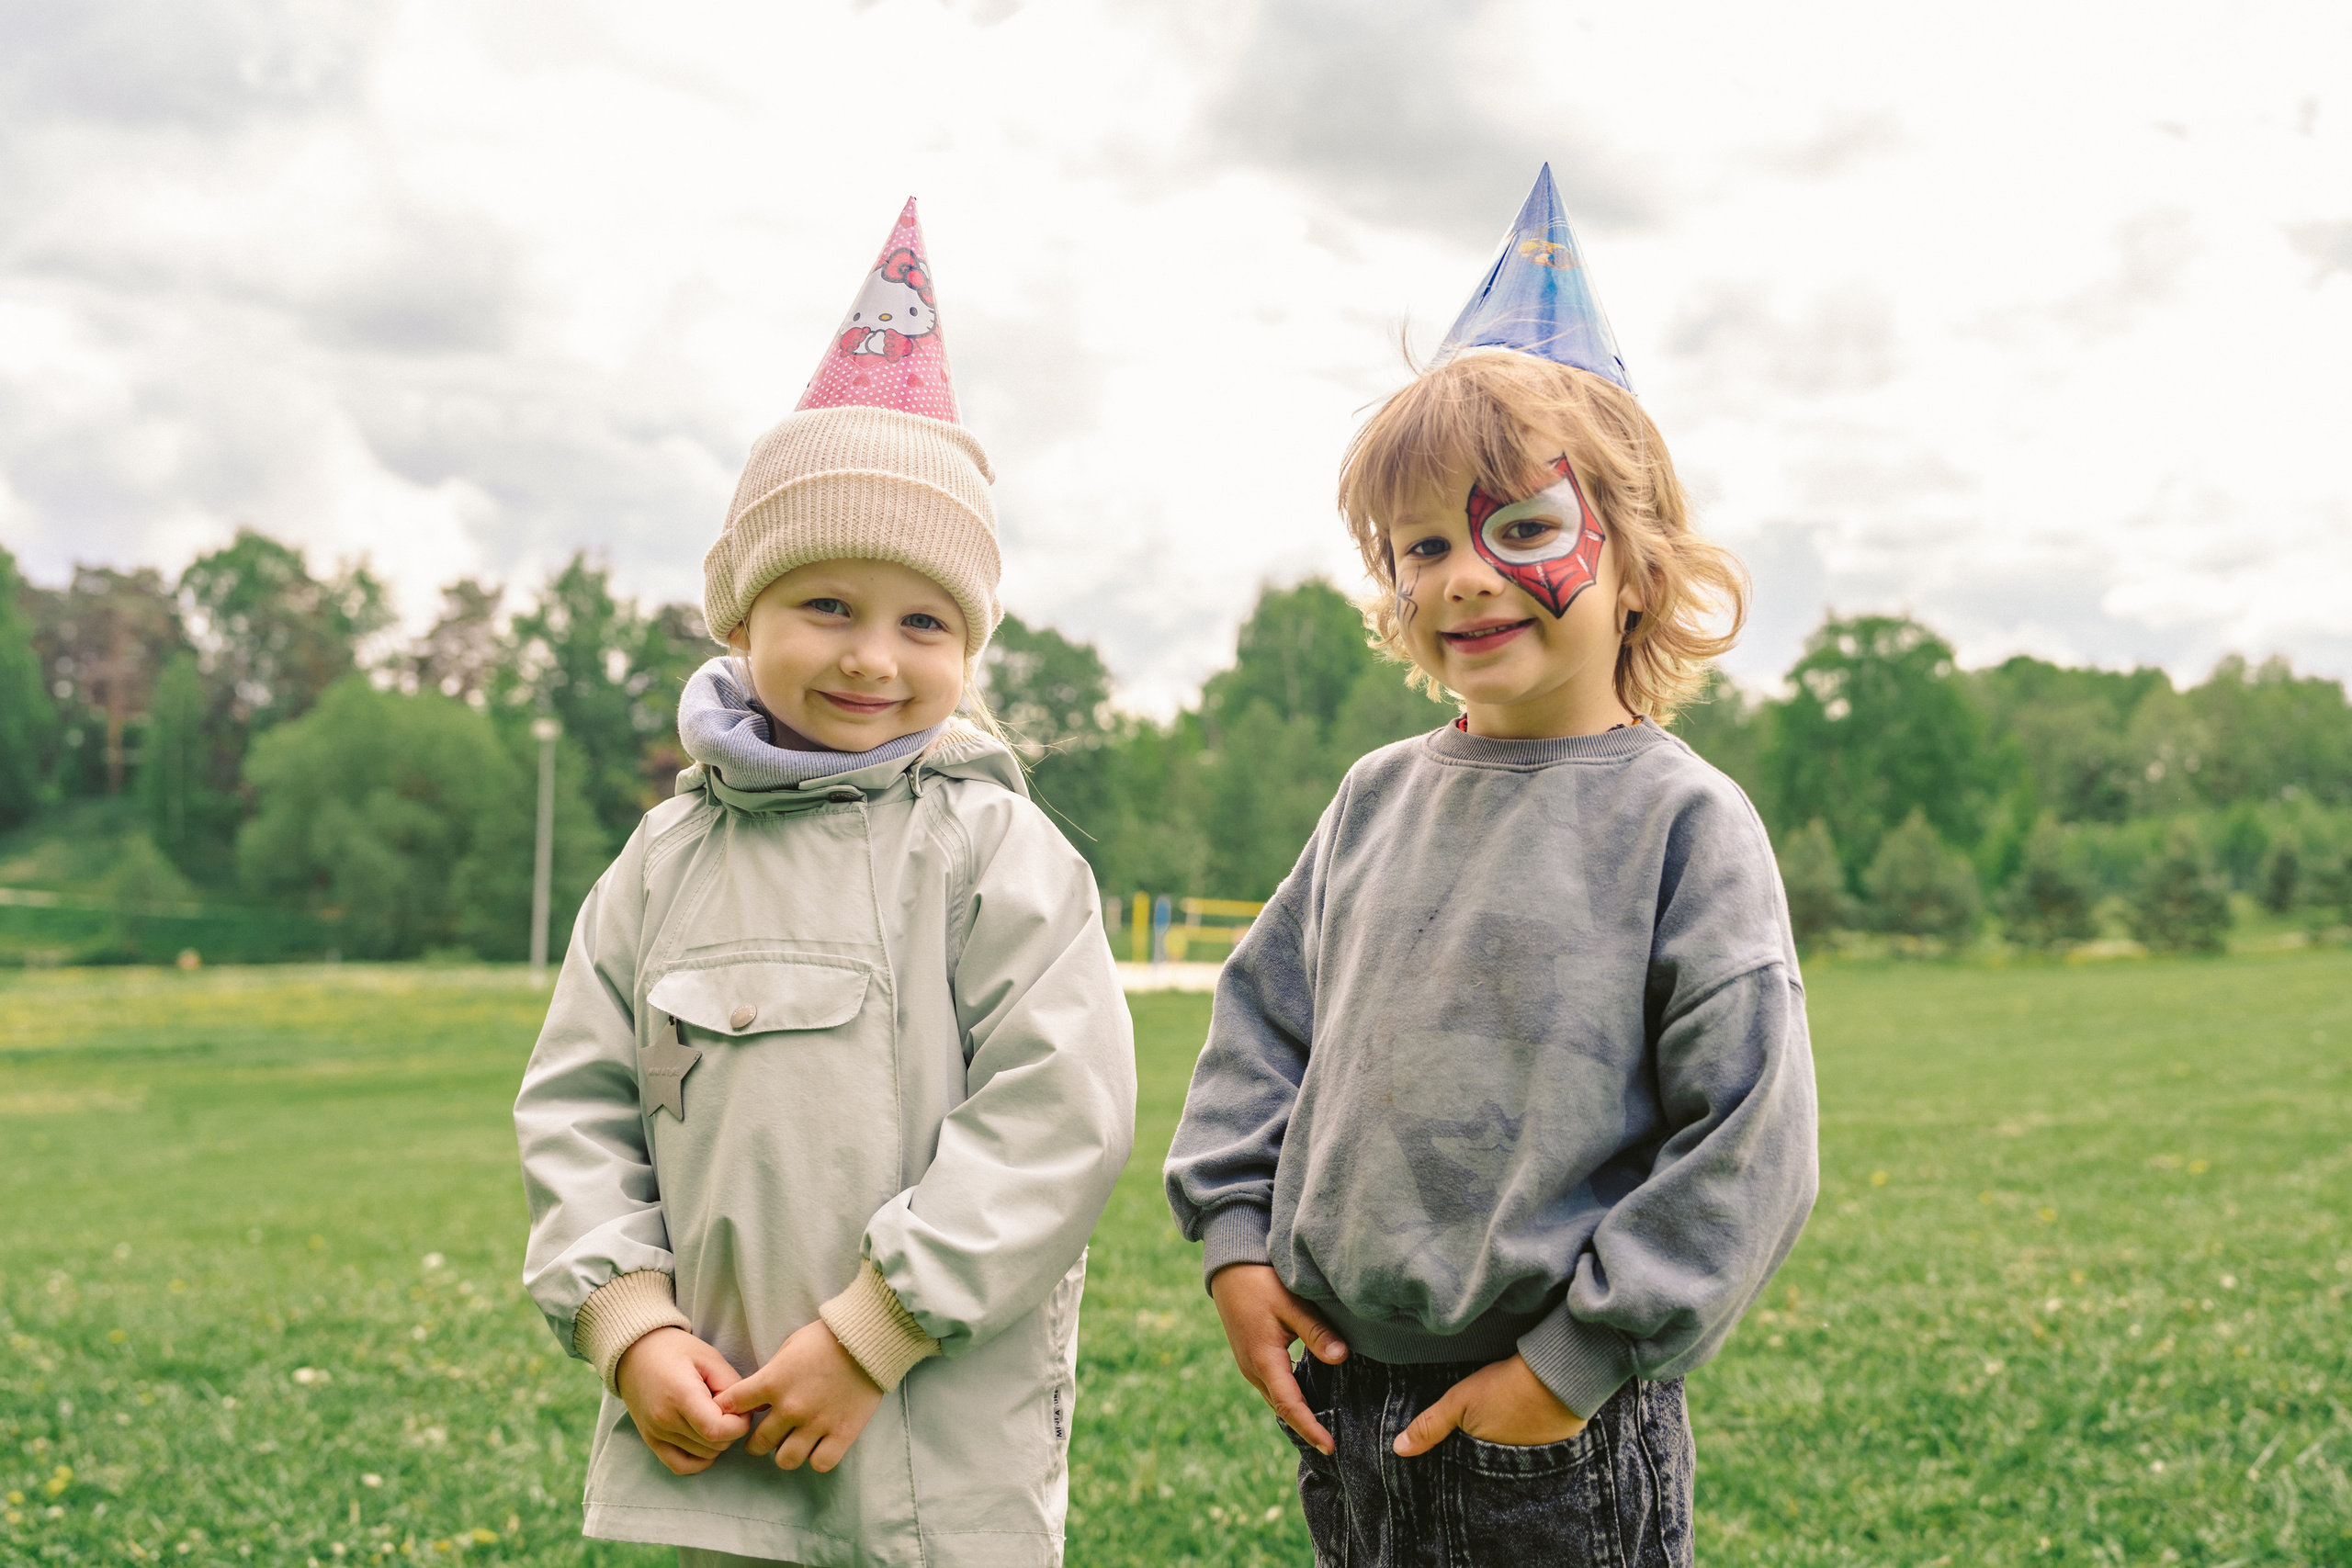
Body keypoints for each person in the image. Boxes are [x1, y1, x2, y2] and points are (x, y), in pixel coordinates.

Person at [1164, 167, 1818, 1566]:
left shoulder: (1683, 824)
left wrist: (1571, 1368)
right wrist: (1235, 1242)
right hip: (1349, 1396)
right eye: (1424, 545)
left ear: (1638, 565)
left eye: (1522, 528)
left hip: (1559, 1431)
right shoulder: (1372, 799)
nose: (1463, 575)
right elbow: (1260, 1028)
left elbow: (1749, 1134)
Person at [514, 198, 1136, 1568]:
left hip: (935, 1431)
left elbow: (1061, 1114)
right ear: (743, 616)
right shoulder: (662, 860)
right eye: (827, 607)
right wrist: (628, 1321)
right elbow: (578, 1102)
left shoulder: (995, 849)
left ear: (970, 644)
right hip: (717, 1417)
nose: (872, 656)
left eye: (924, 621)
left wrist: (876, 1332)